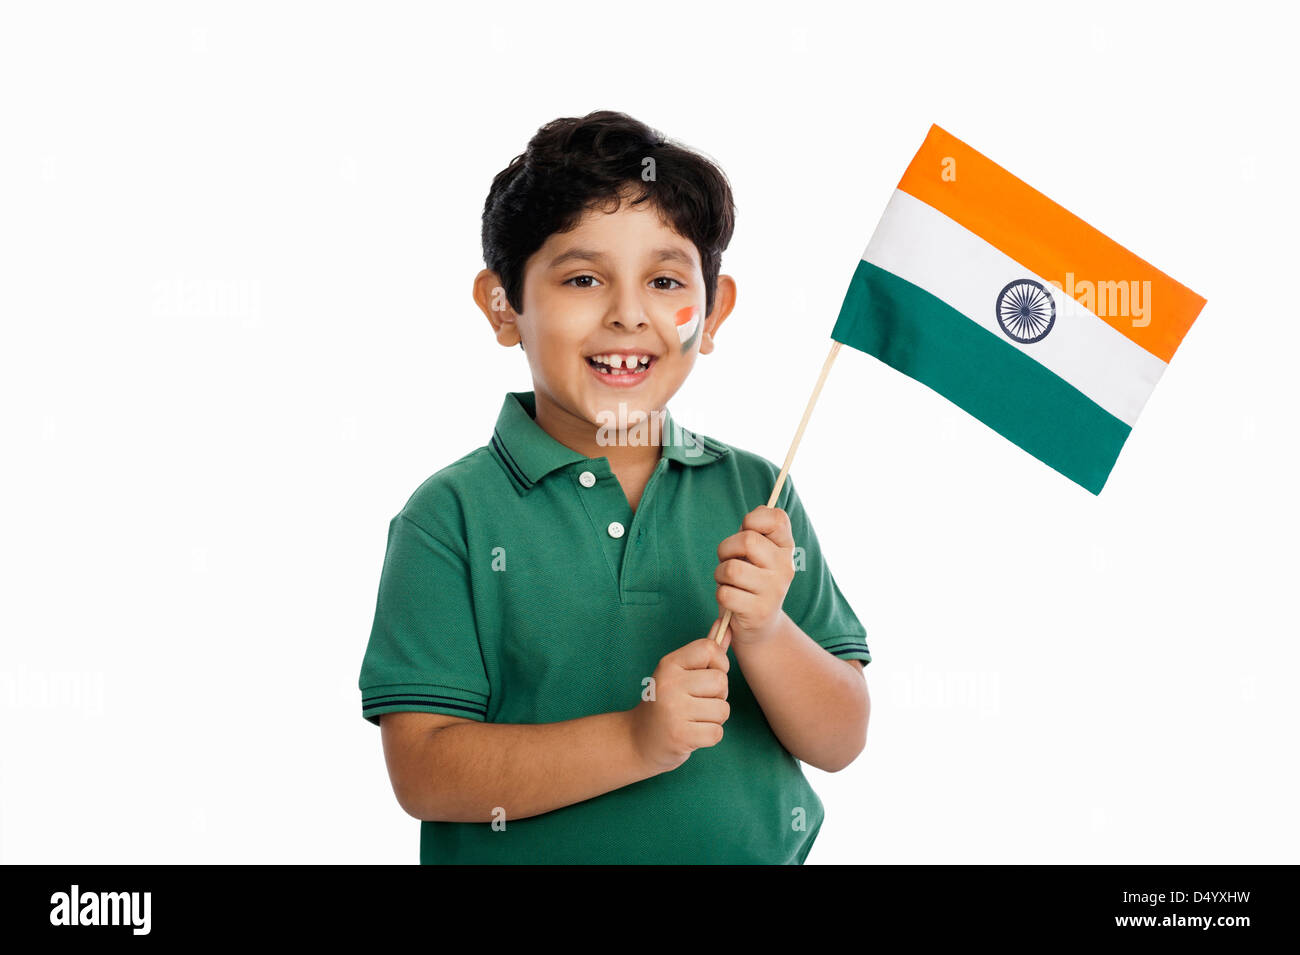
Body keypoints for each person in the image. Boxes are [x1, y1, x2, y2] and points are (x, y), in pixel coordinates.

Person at [358, 110, 871, 863]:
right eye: (583, 278)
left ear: (713, 310)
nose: (629, 313)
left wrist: (765, 631)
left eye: (665, 281)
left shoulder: (760, 492)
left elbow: (840, 737)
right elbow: (425, 771)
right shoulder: (451, 516)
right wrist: (637, 738)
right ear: (505, 306)